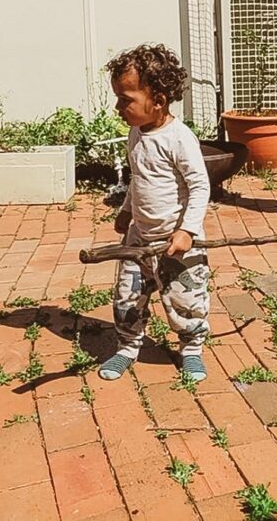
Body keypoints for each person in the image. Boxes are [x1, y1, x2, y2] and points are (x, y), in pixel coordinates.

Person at [98, 44, 210, 383]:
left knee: (185, 301)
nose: (118, 106)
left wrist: (187, 231)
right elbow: (138, 177)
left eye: (126, 99)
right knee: (127, 297)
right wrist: (127, 210)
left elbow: (200, 186)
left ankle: (191, 348)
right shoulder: (136, 133)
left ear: (158, 101)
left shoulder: (179, 139)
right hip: (138, 240)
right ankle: (128, 346)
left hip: (176, 242)